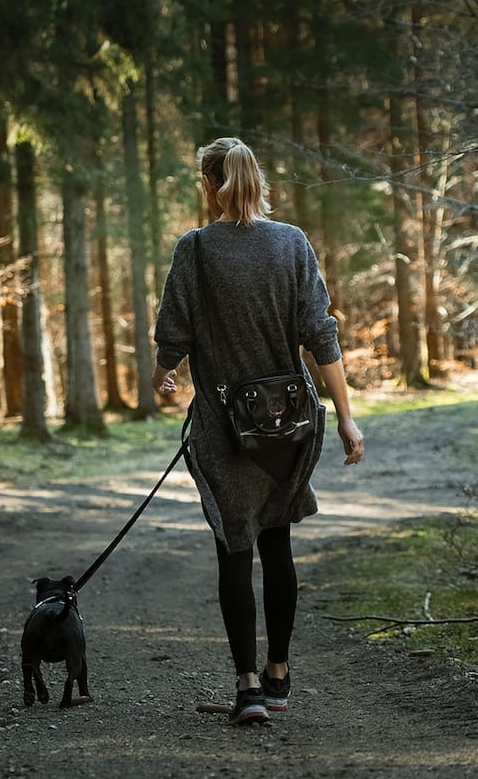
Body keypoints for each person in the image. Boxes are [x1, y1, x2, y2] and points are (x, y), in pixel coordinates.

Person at [152, 136, 365, 725]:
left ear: (208, 184)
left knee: (233, 547)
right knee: (277, 544)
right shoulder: (292, 243)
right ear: (256, 181)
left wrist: (162, 379)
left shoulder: (194, 250)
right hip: (290, 420)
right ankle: (278, 675)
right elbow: (320, 334)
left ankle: (246, 687)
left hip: (224, 423)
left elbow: (172, 334)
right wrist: (345, 415)